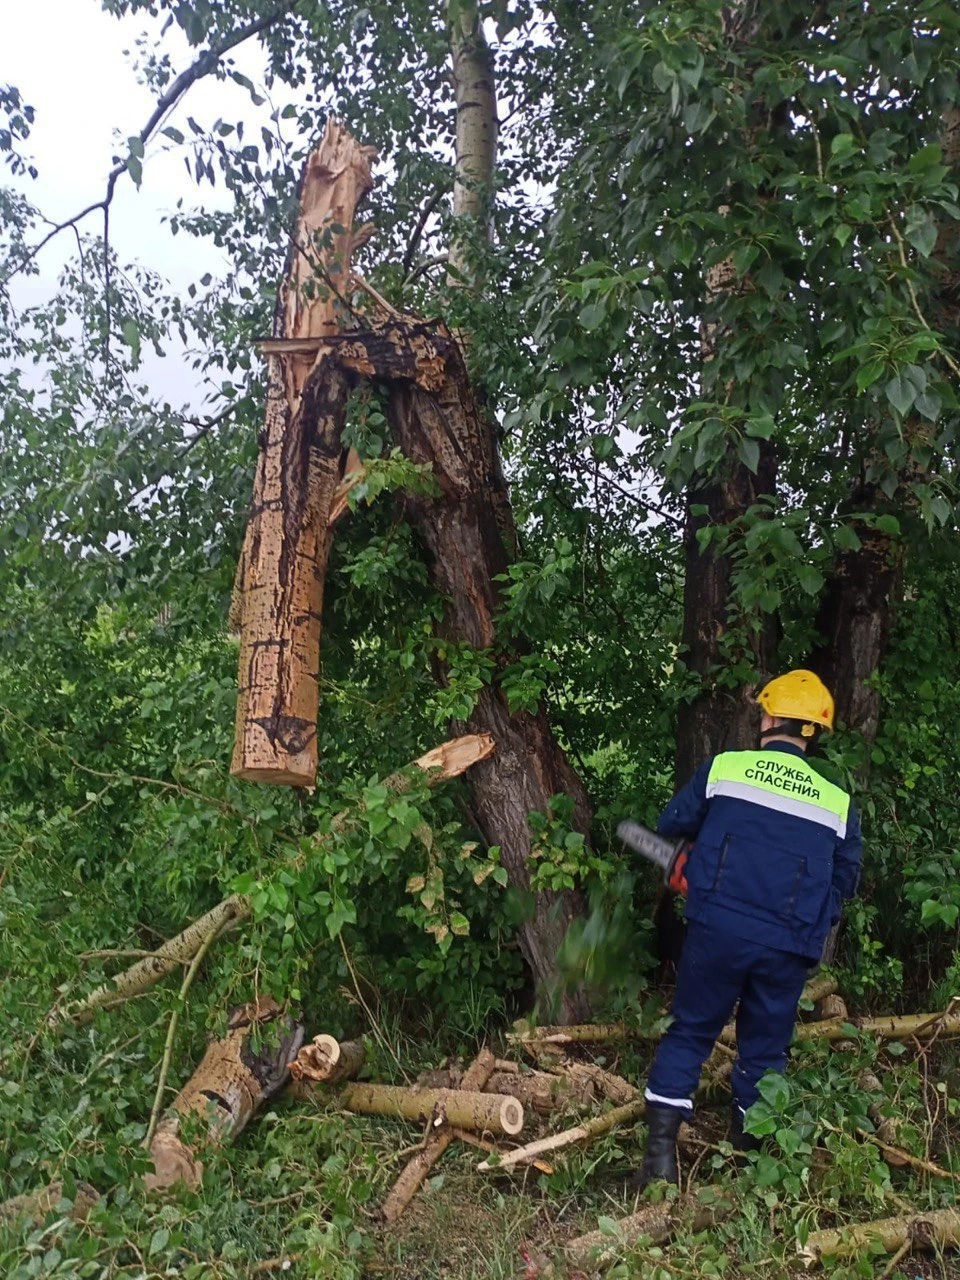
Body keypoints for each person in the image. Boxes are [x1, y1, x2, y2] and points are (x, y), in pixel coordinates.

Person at [633, 669, 862, 1188]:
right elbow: (844, 882)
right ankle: (748, 1160)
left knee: (691, 1031)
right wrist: (808, 921)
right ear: (813, 731)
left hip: (717, 930)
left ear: (772, 719)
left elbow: (670, 826)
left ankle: (660, 1163)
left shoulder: (725, 770)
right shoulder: (838, 803)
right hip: (788, 945)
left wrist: (693, 865)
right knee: (764, 1050)